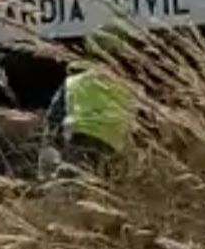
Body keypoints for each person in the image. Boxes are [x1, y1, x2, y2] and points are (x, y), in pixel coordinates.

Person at [42, 30, 137, 174]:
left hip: (78, 142)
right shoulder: (128, 87)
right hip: (113, 147)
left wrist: (52, 146)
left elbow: (53, 119)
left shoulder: (72, 82)